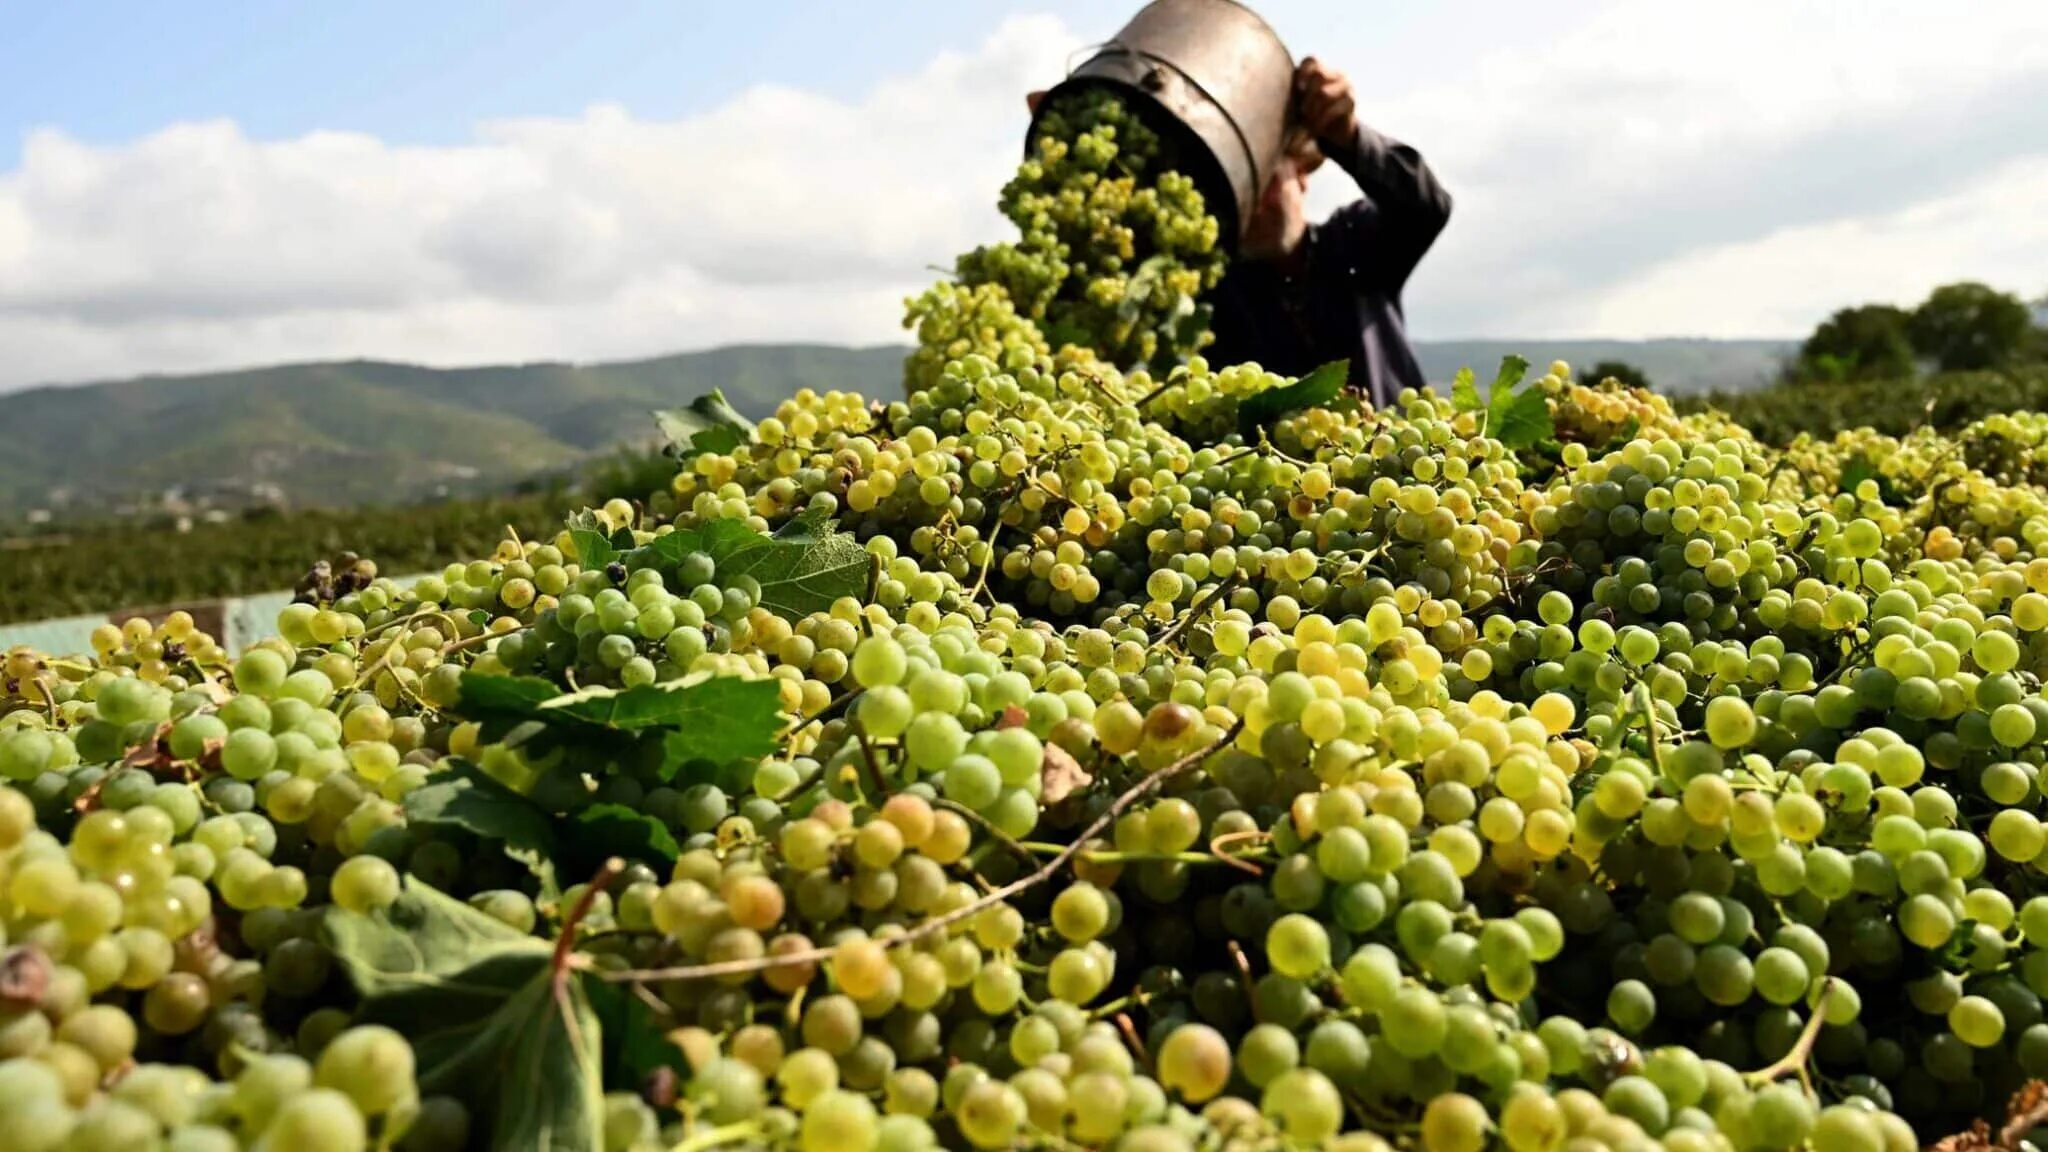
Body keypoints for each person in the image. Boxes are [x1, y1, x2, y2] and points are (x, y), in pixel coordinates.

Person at [1206, 57, 1452, 410]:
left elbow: (1425, 206)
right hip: (1278, 464)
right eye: (1239, 192)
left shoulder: (1355, 241)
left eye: (1265, 182)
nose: (1254, 207)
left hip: (1406, 459)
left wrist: (1349, 138)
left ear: (1301, 175)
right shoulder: (1214, 292)